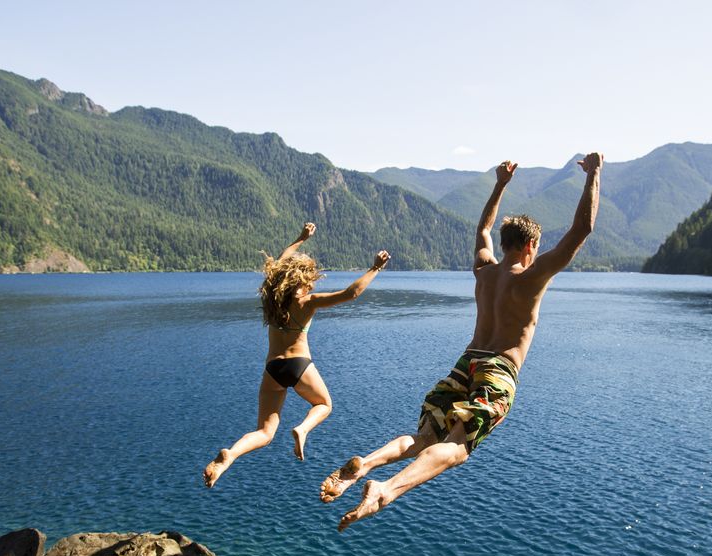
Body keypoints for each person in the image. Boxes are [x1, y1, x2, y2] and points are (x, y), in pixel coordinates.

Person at [320, 153, 603, 531]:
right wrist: (594, 175)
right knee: (457, 448)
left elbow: (482, 230)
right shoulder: (533, 277)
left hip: (465, 363)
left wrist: (500, 184)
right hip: (498, 369)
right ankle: (384, 490)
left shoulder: (484, 270)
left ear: (504, 244)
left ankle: (367, 463)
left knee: (423, 438)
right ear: (531, 245)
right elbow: (581, 230)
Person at [204, 222, 390, 487]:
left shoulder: (272, 299)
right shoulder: (307, 302)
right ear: (304, 278)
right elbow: (352, 293)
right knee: (324, 404)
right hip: (298, 364)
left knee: (265, 432)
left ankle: (231, 455)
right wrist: (375, 268)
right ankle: (302, 429)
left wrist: (300, 238)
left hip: (273, 369)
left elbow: (281, 261)